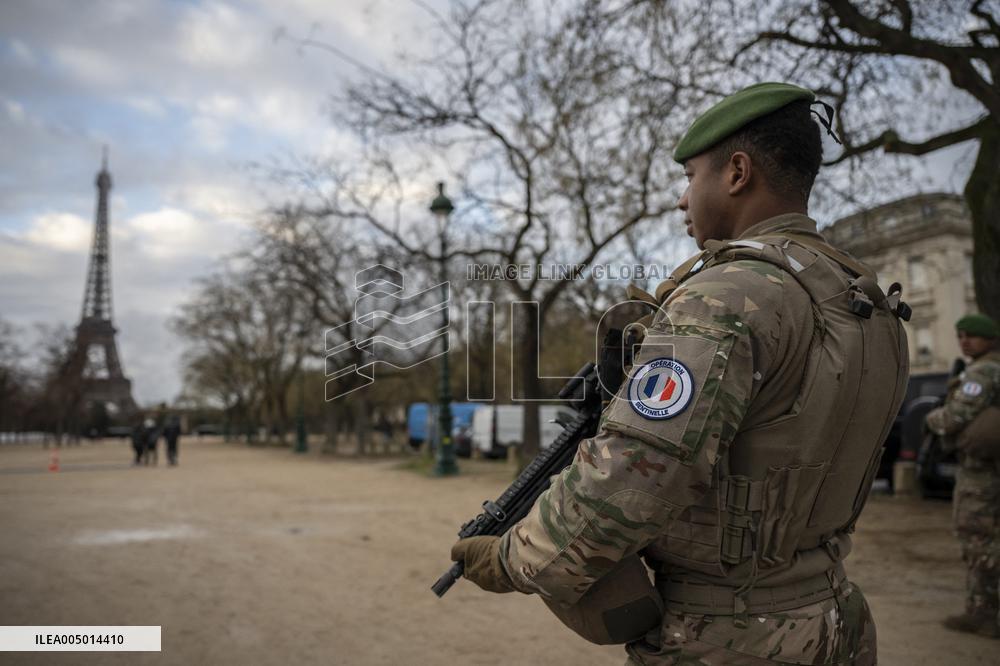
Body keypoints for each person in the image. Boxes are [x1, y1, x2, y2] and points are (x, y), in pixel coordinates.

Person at [451, 82, 911, 664]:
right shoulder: (866, 303)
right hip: (835, 619)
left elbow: (634, 477)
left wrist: (514, 557)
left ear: (737, 172)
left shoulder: (725, 295)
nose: (681, 199)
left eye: (691, 176)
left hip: (729, 636)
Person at [926, 314, 1000, 638]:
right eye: (961, 336)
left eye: (972, 336)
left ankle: (983, 613)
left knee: (977, 538)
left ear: (990, 339)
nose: (964, 341)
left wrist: (931, 419)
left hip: (981, 473)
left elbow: (955, 417)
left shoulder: (983, 371)